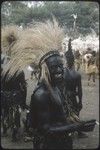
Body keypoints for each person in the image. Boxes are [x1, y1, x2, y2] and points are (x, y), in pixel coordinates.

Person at [30, 50, 73, 149]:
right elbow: (46, 129)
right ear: (45, 70)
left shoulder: (55, 87)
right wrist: (75, 127)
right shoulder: (42, 94)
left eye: (60, 66)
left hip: (61, 142)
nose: (59, 70)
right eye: (53, 67)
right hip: (48, 145)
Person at [64, 39, 87, 138]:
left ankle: (65, 131)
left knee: (64, 112)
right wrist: (80, 101)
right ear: (73, 61)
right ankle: (79, 132)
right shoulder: (76, 74)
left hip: (64, 96)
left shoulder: (61, 72)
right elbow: (80, 90)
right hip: (73, 96)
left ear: (66, 60)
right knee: (76, 113)